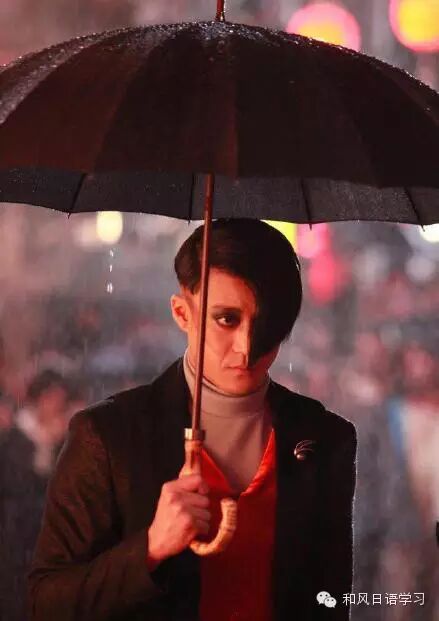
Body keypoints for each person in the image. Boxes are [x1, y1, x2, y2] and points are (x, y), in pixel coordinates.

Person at [28, 218, 357, 621]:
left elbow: (330, 601)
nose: (246, 348)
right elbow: (46, 604)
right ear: (182, 313)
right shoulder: (108, 437)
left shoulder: (325, 438)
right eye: (227, 319)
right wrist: (150, 548)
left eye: (267, 323)